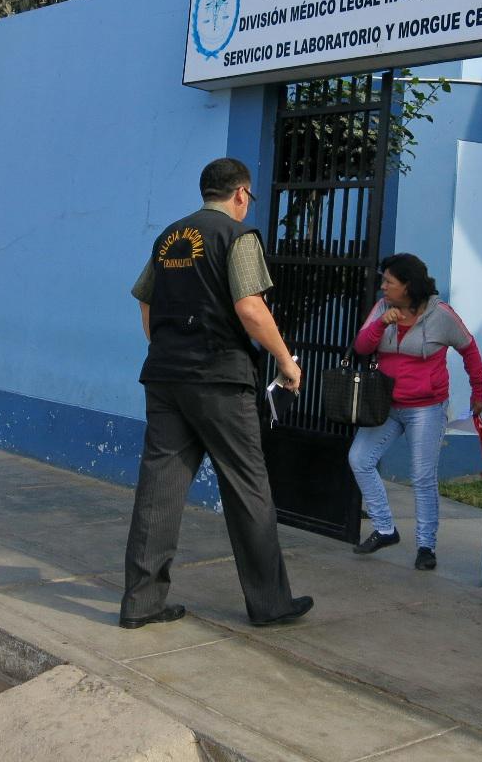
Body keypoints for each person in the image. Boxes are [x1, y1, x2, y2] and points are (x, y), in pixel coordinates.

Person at [120, 158, 313, 629]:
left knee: (159, 488)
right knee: (248, 487)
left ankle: (141, 604)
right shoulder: (236, 236)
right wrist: (287, 362)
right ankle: (270, 603)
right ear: (241, 194)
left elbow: (146, 299)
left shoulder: (170, 237)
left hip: (165, 376)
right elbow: (250, 306)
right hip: (219, 378)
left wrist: (167, 348)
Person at [347, 253, 482, 571]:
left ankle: (426, 547)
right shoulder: (382, 309)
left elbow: (470, 349)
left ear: (408, 286)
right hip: (386, 404)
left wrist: (478, 391)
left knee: (422, 478)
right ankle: (385, 529)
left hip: (426, 407)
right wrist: (380, 324)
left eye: (389, 282)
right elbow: (362, 347)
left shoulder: (442, 316)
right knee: (359, 459)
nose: (382, 287)